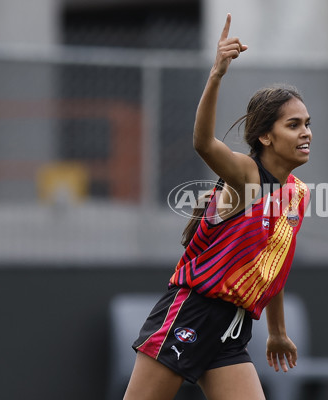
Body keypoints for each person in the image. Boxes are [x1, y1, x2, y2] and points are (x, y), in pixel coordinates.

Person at [124, 13, 312, 400]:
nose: (306, 132)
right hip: (192, 314)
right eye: (293, 125)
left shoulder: (296, 193)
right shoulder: (247, 177)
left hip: (231, 330)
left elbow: (271, 264)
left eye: (307, 123)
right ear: (266, 136)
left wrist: (276, 331)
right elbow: (204, 143)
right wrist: (216, 74)